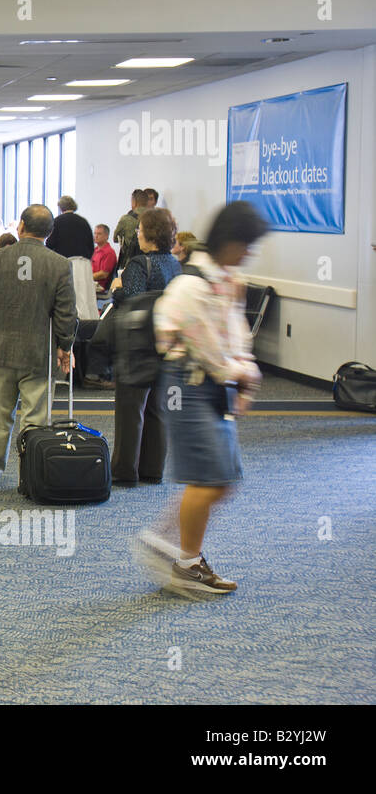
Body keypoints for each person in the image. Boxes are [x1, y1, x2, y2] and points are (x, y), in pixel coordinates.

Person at [136, 201, 267, 595]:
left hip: (215, 384)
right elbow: (210, 352)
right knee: (209, 480)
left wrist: (244, 370)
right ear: (229, 241)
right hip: (186, 386)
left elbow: (237, 334)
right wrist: (241, 376)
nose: (248, 254)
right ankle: (183, 561)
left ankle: (165, 542)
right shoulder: (191, 286)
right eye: (246, 245)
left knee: (223, 480)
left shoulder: (230, 280)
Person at [0, 204, 76, 486]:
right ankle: (31, 473)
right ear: (50, 232)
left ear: (20, 226)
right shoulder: (59, 264)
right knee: (36, 417)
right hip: (39, 351)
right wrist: (65, 346)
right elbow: (67, 312)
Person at [109, 208, 182, 486]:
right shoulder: (175, 264)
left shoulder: (140, 264)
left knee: (130, 410)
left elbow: (131, 301)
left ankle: (124, 472)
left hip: (139, 346)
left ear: (149, 235)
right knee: (157, 409)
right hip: (166, 344)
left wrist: (116, 287)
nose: (137, 234)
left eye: (139, 230)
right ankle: (152, 470)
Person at [45, 195, 94, 259]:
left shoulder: (57, 221)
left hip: (64, 261)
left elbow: (50, 244)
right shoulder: (83, 221)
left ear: (60, 207)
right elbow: (90, 245)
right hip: (82, 262)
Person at [114, 189, 146, 271]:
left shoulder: (126, 219)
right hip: (149, 262)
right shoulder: (155, 218)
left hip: (131, 262)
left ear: (134, 202)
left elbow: (115, 238)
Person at [91, 224, 117, 293]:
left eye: (99, 234)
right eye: (95, 233)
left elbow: (104, 274)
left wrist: (86, 277)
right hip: (92, 282)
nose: (96, 236)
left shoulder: (109, 252)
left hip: (99, 286)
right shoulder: (95, 250)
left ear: (106, 236)